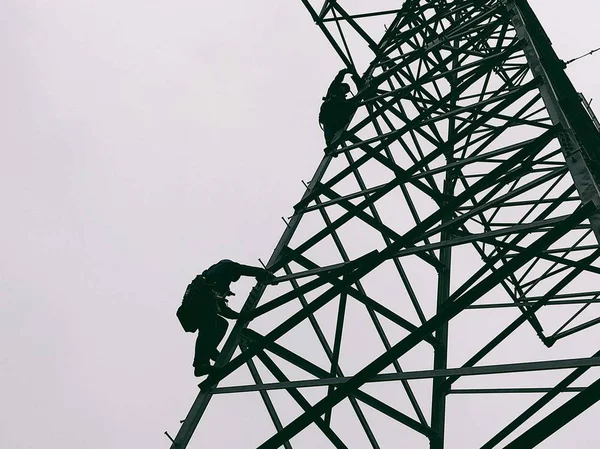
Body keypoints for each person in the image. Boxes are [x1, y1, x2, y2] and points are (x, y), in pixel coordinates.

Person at [176, 259, 273, 377]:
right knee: (208, 326)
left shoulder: (215, 286)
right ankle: (200, 364)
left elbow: (223, 310)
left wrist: (240, 316)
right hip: (198, 303)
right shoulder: (225, 267)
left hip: (194, 307)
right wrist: (261, 273)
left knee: (221, 324)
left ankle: (210, 350)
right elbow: (241, 269)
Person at [319, 68, 359, 146]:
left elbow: (349, 103)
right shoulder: (333, 89)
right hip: (329, 112)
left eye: (346, 90)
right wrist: (345, 71)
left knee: (352, 105)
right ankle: (330, 144)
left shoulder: (342, 99)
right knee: (329, 128)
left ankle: (332, 144)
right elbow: (338, 79)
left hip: (336, 116)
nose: (344, 90)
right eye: (344, 88)